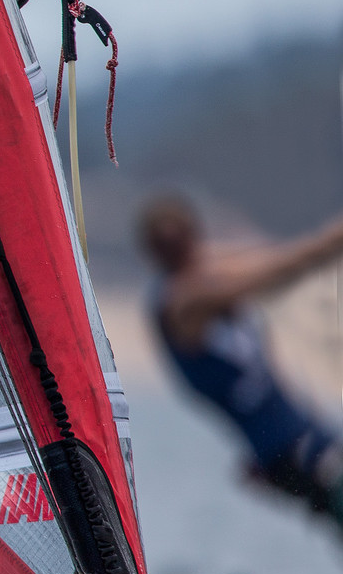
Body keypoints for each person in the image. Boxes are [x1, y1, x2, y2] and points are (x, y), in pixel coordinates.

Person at [140, 195, 343, 530]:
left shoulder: (206, 277)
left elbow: (263, 261)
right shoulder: (183, 305)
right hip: (291, 456)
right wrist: (330, 242)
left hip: (305, 442)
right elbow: (281, 268)